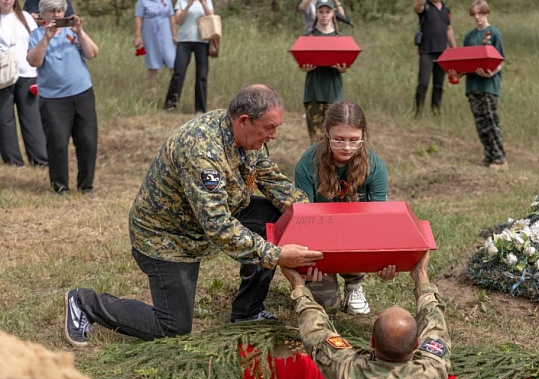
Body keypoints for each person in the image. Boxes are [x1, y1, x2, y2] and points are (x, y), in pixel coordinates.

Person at [62, 85, 324, 346]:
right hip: (168, 237)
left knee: (274, 217)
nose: (274, 135)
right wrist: (276, 255)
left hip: (210, 216)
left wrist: (314, 221)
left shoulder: (246, 135)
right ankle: (84, 302)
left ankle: (247, 311)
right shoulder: (201, 150)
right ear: (244, 120)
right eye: (270, 127)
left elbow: (274, 182)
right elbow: (219, 227)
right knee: (173, 328)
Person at [280, 251, 450, 379]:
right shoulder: (433, 373)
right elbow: (435, 323)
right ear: (416, 345)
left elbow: (316, 333)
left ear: (372, 342)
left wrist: (299, 286)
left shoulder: (351, 372)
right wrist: (421, 275)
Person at [294, 100, 389, 315]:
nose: (346, 147)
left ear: (363, 136)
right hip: (319, 240)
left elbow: (379, 221)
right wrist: (307, 265)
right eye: (339, 139)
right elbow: (302, 221)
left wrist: (383, 262)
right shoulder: (307, 164)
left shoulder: (375, 167)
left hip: (355, 237)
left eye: (354, 140)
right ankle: (312, 283)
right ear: (327, 133)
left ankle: (354, 283)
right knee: (327, 307)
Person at [27, 0, 99, 194]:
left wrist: (80, 32)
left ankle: (86, 185)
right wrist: (47, 38)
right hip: (53, 99)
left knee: (87, 141)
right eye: (52, 11)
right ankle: (60, 187)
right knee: (57, 143)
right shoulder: (36, 35)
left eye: (60, 10)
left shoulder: (73, 32)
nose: (57, 14)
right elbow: (34, 61)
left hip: (82, 92)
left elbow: (93, 53)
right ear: (43, 14)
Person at [450, 0, 506, 170]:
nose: (477, 17)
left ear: (486, 13)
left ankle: (500, 158)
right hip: (472, 85)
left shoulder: (494, 33)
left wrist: (492, 72)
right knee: (480, 124)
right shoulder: (469, 36)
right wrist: (457, 72)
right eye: (474, 14)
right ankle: (488, 156)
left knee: (491, 121)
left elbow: (500, 60)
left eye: (480, 13)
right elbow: (466, 62)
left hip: (488, 85)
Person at [0, 0, 47, 168]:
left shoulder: (25, 17)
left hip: (27, 74)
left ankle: (40, 160)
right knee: (4, 119)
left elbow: (37, 42)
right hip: (4, 75)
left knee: (32, 118)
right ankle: (13, 162)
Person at [299, 0, 348, 142]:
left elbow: (345, 66)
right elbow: (301, 63)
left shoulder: (340, 38)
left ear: (333, 13)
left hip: (334, 93)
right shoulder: (308, 37)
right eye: (321, 12)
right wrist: (304, 67)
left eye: (328, 11)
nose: (324, 15)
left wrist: (343, 69)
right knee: (315, 139)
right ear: (316, 13)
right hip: (313, 92)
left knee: (335, 138)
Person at [163, 0, 212, 114]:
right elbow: (178, 20)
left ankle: (200, 108)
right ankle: (170, 105)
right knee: (178, 72)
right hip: (184, 40)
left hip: (202, 40)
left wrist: (203, 4)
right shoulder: (182, 1)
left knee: (202, 75)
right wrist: (188, 6)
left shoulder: (207, 1)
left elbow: (211, 17)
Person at [413, 0, 456, 115]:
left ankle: (436, 110)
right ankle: (418, 111)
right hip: (427, 51)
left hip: (442, 52)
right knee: (423, 82)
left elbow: (448, 28)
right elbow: (417, 6)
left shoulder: (445, 9)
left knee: (438, 84)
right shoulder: (425, 6)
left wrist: (454, 49)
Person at [134, 0, 177, 88]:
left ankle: (175, 86)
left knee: (171, 58)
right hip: (150, 31)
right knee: (152, 57)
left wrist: (174, 34)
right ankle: (153, 86)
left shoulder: (167, 1)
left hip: (166, 31)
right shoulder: (142, 2)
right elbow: (138, 19)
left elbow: (172, 18)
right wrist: (137, 36)